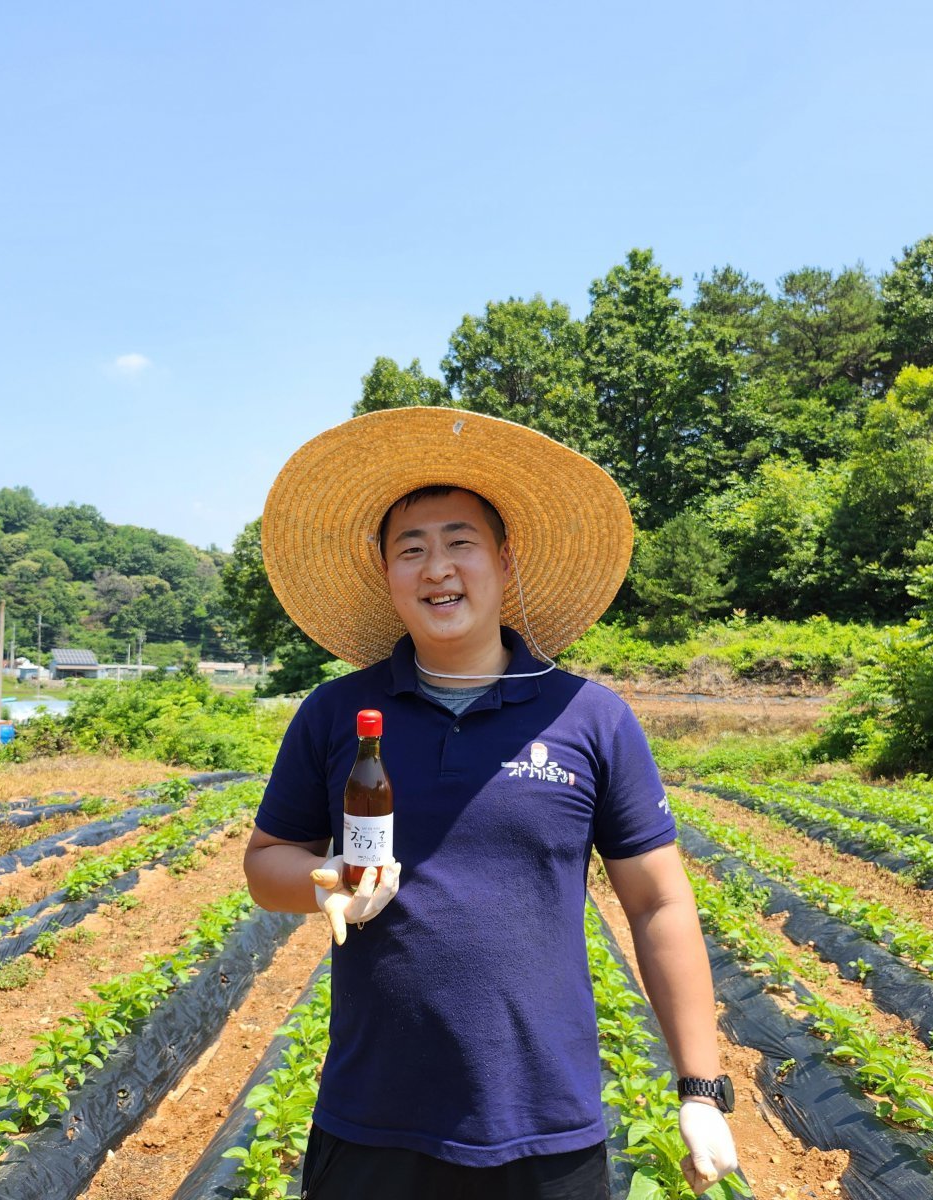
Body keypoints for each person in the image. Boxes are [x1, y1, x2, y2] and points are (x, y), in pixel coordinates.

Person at [243, 406, 740, 1200]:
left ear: (505, 561)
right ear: (384, 573)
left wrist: (702, 1090)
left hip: (547, 1127)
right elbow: (265, 863)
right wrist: (322, 877)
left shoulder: (589, 716)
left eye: (459, 543)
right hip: (372, 1122)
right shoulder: (337, 715)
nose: (436, 568)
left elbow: (657, 904)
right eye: (411, 549)